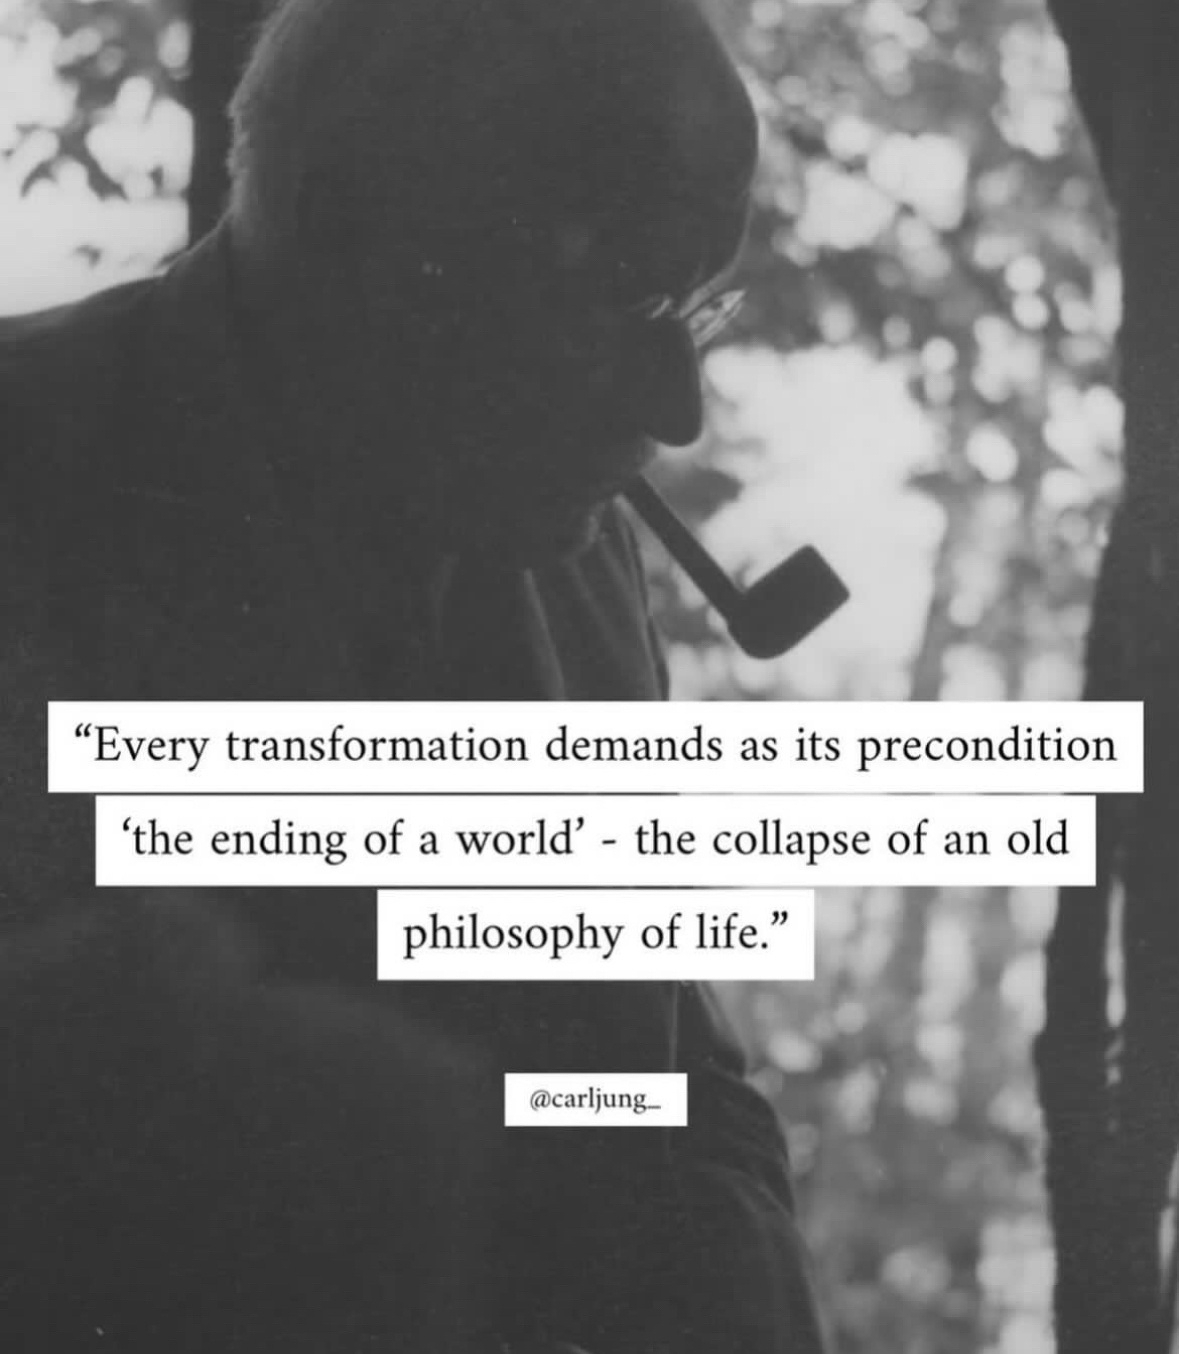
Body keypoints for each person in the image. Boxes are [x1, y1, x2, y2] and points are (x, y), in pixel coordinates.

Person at [0, 1, 828, 1350]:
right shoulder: (32, 488)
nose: (677, 405)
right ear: (359, 229)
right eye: (625, 291)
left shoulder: (573, 559)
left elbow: (674, 1083)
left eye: (700, 302)